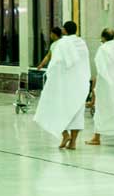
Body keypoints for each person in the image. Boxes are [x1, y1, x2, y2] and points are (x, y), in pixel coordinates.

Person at [34, 21, 91, 150]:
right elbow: (85, 63)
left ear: (64, 30)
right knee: (76, 112)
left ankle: (65, 135)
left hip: (64, 85)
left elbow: (55, 64)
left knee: (60, 110)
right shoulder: (82, 43)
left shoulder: (61, 44)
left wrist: (51, 79)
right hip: (79, 84)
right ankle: (73, 142)